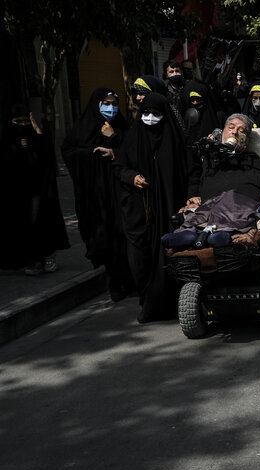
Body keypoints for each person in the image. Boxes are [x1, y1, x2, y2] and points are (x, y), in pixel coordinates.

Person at [113, 93, 190, 321]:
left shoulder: (175, 141)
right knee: (140, 258)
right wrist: (132, 177)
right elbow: (119, 166)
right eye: (145, 113)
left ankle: (172, 304)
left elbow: (189, 171)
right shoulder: (133, 138)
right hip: (141, 211)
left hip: (169, 210)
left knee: (169, 257)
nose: (150, 118)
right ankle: (147, 301)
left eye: (156, 114)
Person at [61, 88, 132, 298]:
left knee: (124, 235)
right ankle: (114, 283)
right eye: (106, 103)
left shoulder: (121, 125)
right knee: (105, 237)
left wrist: (114, 139)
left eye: (114, 104)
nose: (111, 108)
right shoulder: (83, 128)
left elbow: (133, 150)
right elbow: (69, 152)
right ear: (97, 104)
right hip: (96, 195)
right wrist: (93, 154)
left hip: (120, 192)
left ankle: (129, 280)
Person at [2, 108, 69, 274]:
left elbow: (47, 157)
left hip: (37, 191)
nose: (24, 125)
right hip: (16, 193)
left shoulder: (36, 139)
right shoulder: (6, 141)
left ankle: (44, 258)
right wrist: (16, 149)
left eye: (26, 121)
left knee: (39, 221)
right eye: (19, 122)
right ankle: (27, 261)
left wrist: (38, 133)